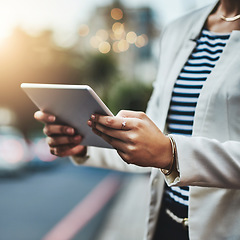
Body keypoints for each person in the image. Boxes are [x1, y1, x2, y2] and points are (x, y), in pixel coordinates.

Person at [34, 0, 240, 239]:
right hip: (167, 224)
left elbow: (162, 149)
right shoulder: (178, 30)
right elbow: (149, 140)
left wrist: (172, 155)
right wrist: (83, 143)